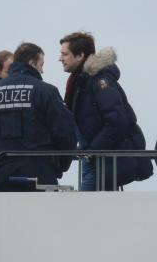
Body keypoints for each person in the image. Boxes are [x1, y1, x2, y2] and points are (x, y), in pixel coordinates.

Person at [59, 31, 152, 190]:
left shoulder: (99, 80)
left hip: (103, 161)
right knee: (92, 210)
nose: (60, 58)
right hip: (95, 159)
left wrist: (93, 150)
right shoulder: (81, 81)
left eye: (65, 54)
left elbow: (117, 120)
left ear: (80, 55)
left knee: (86, 210)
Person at [0, 42, 77, 191]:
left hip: (2, 174)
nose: (42, 70)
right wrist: (60, 164)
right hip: (40, 174)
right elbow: (65, 133)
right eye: (41, 64)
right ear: (32, 63)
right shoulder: (46, 91)